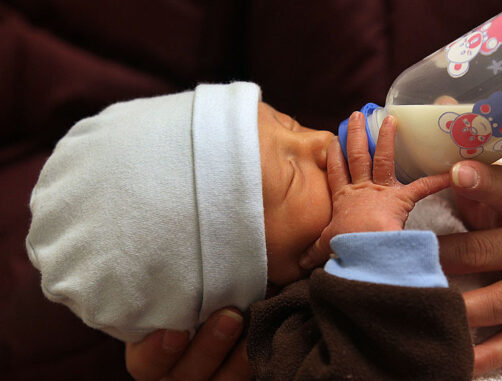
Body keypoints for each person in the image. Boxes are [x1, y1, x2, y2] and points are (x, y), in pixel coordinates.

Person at [26, 82, 476, 380]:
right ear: (252, 280)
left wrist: (466, 150)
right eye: (292, 176)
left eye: (290, 124)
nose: (319, 143)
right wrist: (376, 253)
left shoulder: (379, 181)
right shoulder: (289, 342)